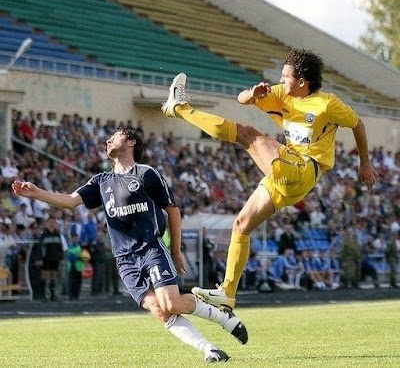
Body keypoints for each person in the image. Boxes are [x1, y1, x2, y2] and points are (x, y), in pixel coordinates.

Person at [161, 48, 377, 310]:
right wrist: (253, 95)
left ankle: (180, 107)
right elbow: (241, 99)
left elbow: (357, 124)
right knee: (241, 225)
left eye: (286, 76)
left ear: (302, 81)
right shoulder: (280, 93)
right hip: (288, 178)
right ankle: (227, 293)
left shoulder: (327, 104)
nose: (281, 79)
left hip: (305, 169)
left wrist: (364, 163)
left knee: (248, 134)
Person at [12, 127, 247, 363]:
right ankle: (210, 349)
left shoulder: (146, 174)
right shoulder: (101, 181)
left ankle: (222, 316)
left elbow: (173, 211)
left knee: (171, 303)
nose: (107, 141)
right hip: (124, 259)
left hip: (151, 249)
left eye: (113, 137)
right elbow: (71, 201)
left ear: (131, 142)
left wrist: (175, 250)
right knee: (159, 310)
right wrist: (38, 193)